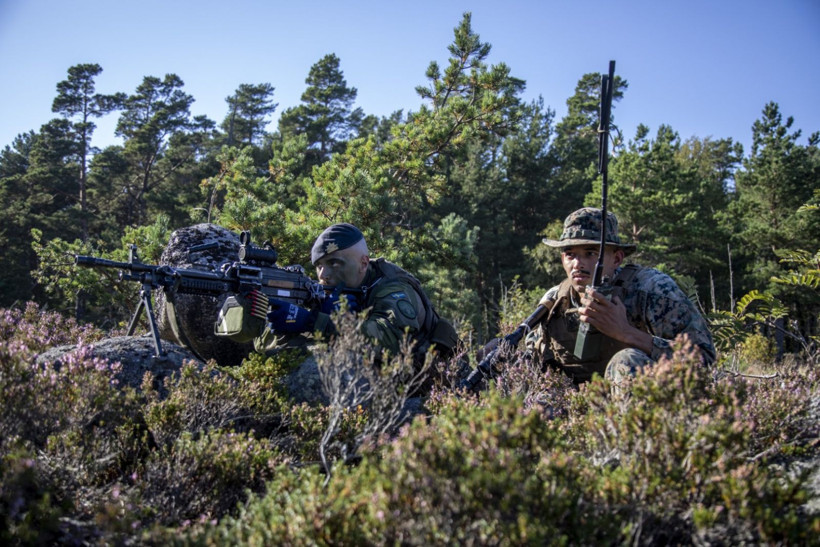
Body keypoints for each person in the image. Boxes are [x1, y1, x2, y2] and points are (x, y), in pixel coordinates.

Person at [524, 207, 716, 386]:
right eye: (570, 254)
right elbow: (533, 360)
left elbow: (704, 359)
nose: (577, 263)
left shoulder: (652, 291)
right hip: (578, 407)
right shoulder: (555, 301)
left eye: (590, 253)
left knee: (626, 361)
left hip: (650, 408)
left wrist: (626, 333)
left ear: (617, 258)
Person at [261, 223, 459, 364]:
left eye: (334, 263)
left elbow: (391, 341)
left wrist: (315, 322)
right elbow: (264, 348)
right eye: (319, 266)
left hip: (427, 382)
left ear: (364, 263)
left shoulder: (392, 287)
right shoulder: (323, 291)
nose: (324, 275)